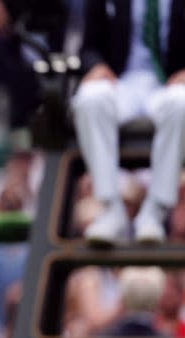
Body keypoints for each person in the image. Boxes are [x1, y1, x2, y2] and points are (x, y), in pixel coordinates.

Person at [71, 0, 185, 244]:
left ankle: (155, 212)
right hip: (121, 84)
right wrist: (96, 66)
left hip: (168, 85)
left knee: (182, 103)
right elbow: (88, 48)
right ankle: (111, 209)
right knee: (90, 98)